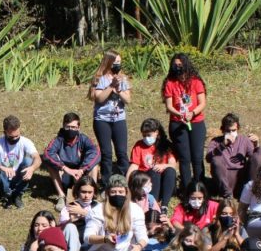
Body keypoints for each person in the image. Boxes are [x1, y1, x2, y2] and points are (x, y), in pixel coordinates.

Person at [162, 52, 208, 189]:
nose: (177, 67)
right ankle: (187, 187)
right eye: (175, 65)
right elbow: (169, 106)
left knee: (197, 157)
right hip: (177, 123)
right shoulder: (170, 83)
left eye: (180, 65)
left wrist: (192, 113)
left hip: (196, 122)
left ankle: (200, 185)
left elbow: (202, 103)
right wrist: (180, 114)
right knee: (184, 157)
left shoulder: (196, 82)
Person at [89, 50, 131, 185]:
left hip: (119, 119)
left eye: (119, 62)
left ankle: (124, 180)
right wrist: (111, 86)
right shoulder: (99, 78)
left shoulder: (123, 78)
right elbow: (99, 98)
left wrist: (119, 90)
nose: (117, 65)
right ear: (108, 62)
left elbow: (128, 99)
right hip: (102, 120)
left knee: (122, 152)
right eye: (115, 62)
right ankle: (106, 183)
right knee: (106, 153)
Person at [43, 111, 101, 209]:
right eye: (68, 127)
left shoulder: (84, 139)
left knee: (94, 166)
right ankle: (61, 196)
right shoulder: (58, 140)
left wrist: (82, 169)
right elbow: (47, 154)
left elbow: (95, 153)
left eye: (74, 127)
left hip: (80, 173)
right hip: (64, 173)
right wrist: (65, 168)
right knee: (50, 165)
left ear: (78, 128)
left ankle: (92, 194)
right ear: (63, 126)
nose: (71, 129)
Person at [0, 115, 41, 209]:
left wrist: (32, 169)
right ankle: (6, 194)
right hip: (4, 177)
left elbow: (37, 158)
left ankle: (17, 194)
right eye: (11, 137)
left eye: (17, 136)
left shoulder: (25, 142)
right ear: (5, 132)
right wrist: (3, 168)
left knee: (29, 161)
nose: (15, 139)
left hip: (18, 176)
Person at [206, 112, 261, 199]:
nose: (231, 133)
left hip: (241, 177)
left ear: (237, 129)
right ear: (223, 130)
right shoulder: (216, 141)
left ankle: (251, 192)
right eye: (228, 131)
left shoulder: (244, 140)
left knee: (257, 157)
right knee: (216, 160)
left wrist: (257, 146)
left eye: (233, 130)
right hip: (224, 177)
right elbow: (208, 158)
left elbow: (255, 160)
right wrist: (222, 145)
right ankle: (227, 195)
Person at [127, 118, 178, 209]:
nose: (146, 138)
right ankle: (153, 203)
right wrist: (126, 183)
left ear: (156, 132)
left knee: (170, 170)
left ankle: (164, 206)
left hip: (165, 182)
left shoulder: (166, 145)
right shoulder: (139, 146)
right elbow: (134, 165)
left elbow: (173, 165)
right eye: (144, 135)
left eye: (149, 135)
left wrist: (164, 166)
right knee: (154, 171)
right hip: (148, 181)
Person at [58, 175, 103, 251]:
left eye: (90, 192)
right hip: (75, 246)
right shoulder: (69, 207)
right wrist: (70, 221)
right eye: (83, 192)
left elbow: (106, 224)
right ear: (78, 191)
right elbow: (60, 230)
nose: (86, 196)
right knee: (70, 227)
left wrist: (84, 213)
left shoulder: (99, 207)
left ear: (94, 192)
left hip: (93, 245)